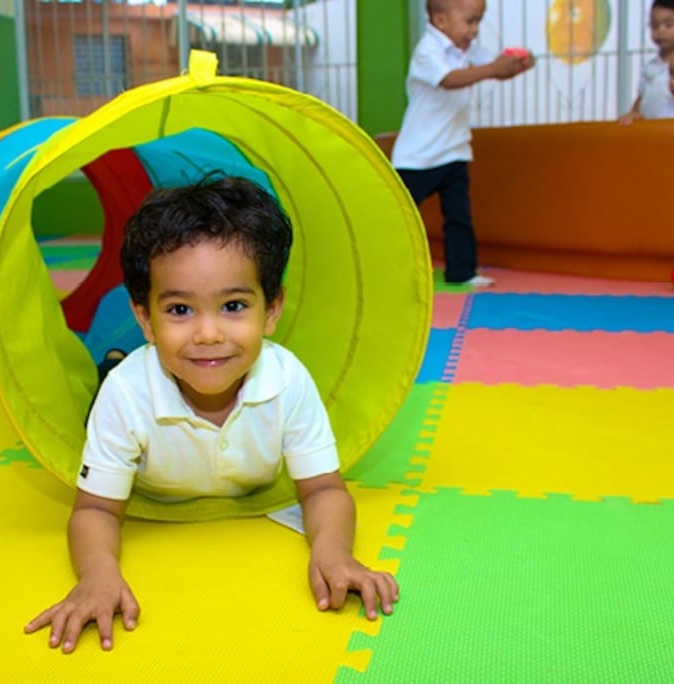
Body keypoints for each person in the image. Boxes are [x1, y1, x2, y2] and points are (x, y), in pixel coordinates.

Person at [24, 176, 399, 653]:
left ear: (271, 309)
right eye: (180, 309)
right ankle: (115, 358)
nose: (207, 334)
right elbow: (95, 508)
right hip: (129, 388)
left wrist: (334, 553)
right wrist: (99, 575)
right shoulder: (126, 396)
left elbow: (323, 488)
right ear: (145, 318)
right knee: (112, 378)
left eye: (234, 306)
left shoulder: (287, 380)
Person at [393, 0, 534, 288]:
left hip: (455, 150)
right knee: (398, 217)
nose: (475, 30)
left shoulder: (466, 51)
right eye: (470, 21)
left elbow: (493, 67)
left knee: (458, 215)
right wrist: (494, 68)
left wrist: (519, 63)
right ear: (441, 21)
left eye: (479, 21)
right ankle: (385, 266)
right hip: (417, 156)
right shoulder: (426, 51)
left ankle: (462, 271)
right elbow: (449, 79)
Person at [618, 0, 674, 124]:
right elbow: (642, 98)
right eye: (654, 25)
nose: (660, 31)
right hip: (651, 133)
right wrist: (632, 114)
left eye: (668, 25)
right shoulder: (652, 66)